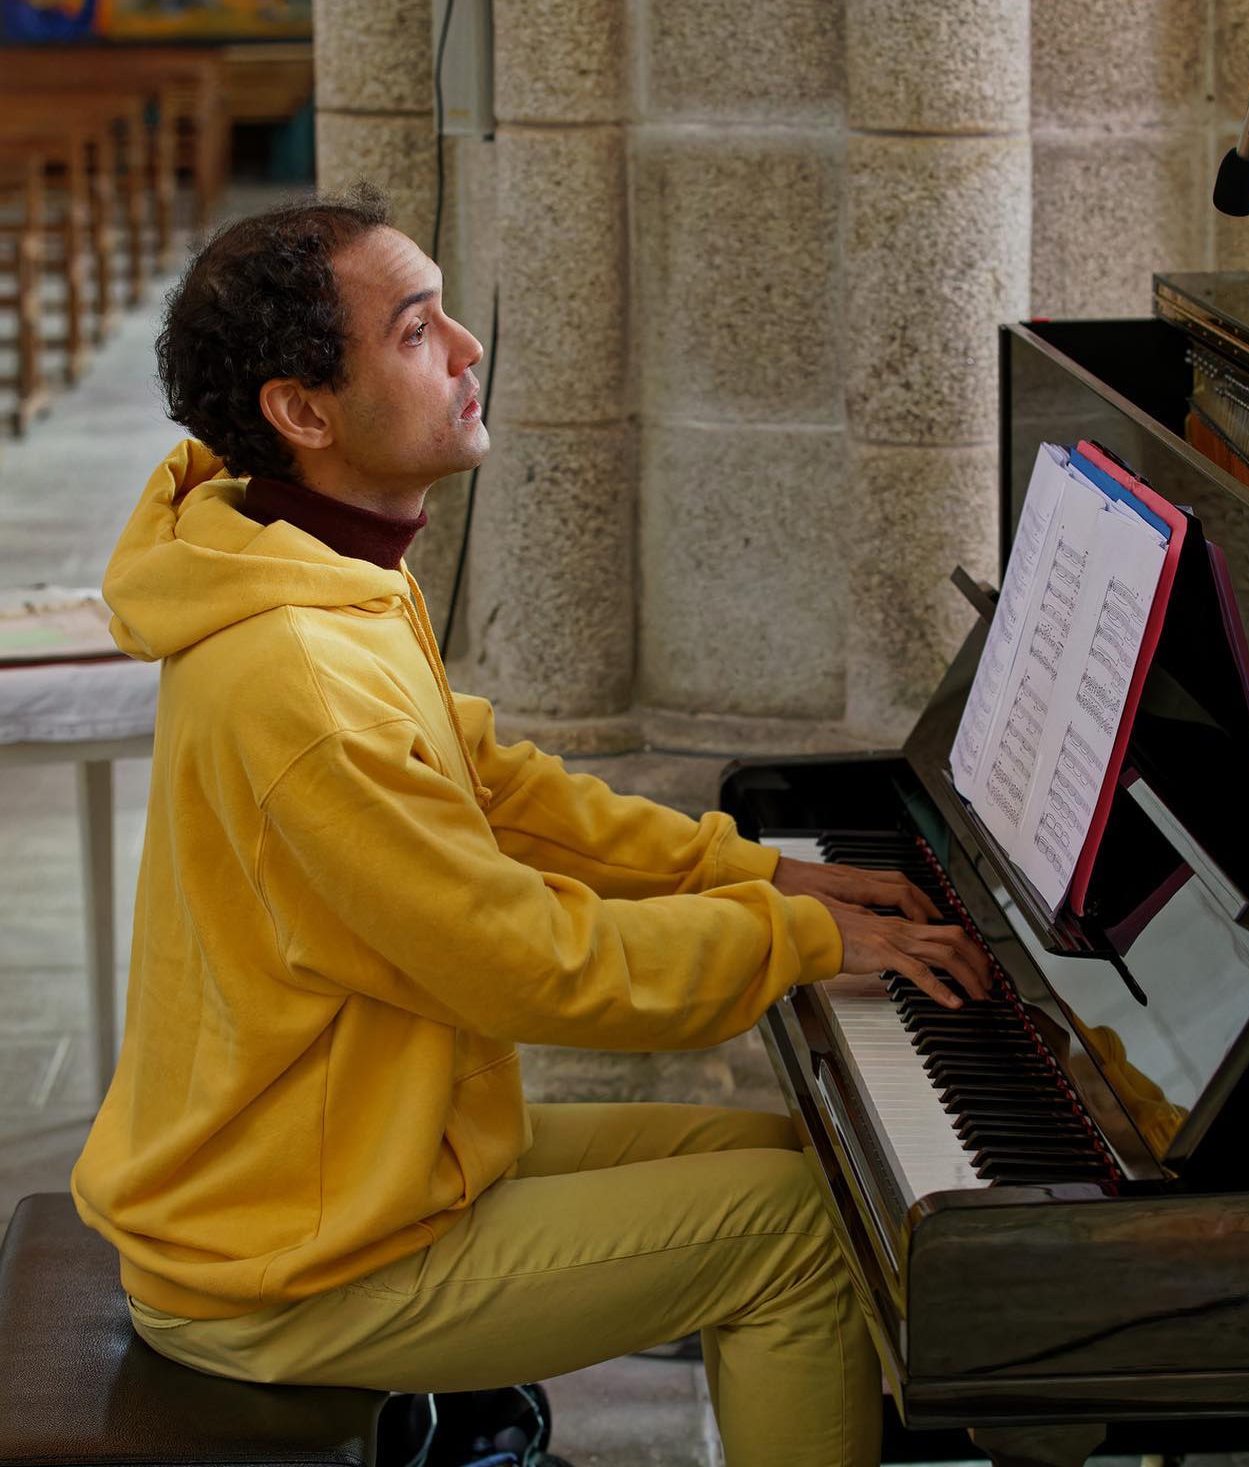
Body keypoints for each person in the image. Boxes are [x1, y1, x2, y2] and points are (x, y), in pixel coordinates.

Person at [71, 186, 991, 1467]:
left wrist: (764, 870)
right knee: (796, 1231)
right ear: (302, 410)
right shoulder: (300, 681)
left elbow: (494, 786)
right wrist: (792, 938)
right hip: (289, 1257)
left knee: (800, 1155)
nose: (466, 350)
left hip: (355, 1158)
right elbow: (528, 962)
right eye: (414, 331)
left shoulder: (309, 562)